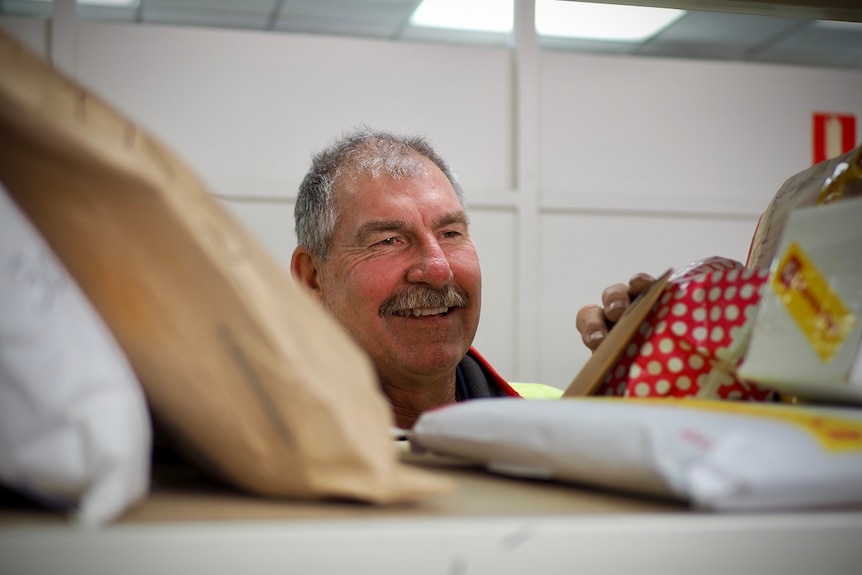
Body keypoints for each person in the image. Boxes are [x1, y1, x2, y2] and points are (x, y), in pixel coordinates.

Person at [290, 127, 561, 429]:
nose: (437, 269)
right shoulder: (252, 450)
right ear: (313, 279)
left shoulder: (558, 421)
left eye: (450, 234)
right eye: (389, 240)